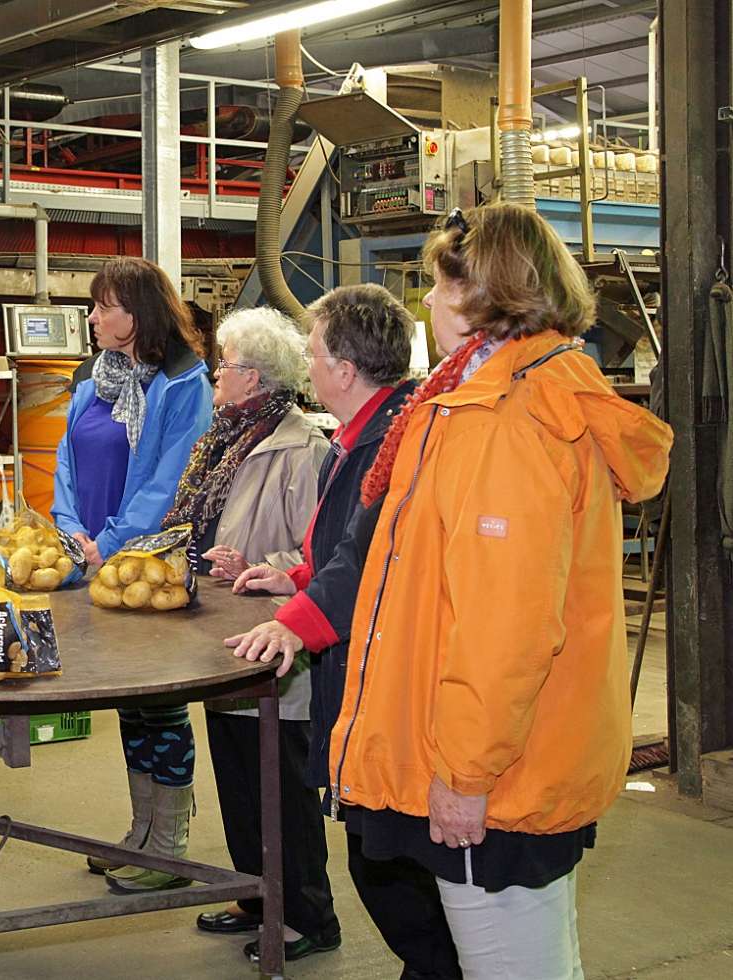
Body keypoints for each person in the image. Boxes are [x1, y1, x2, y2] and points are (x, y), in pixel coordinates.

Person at [326, 204, 671, 979]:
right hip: (507, 755)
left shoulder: (510, 419)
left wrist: (466, 774)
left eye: (438, 287)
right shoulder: (483, 401)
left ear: (485, 296)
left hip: (498, 771)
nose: (424, 303)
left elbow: (505, 625)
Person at [224, 284, 441, 972]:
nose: (307, 367)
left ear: (344, 370)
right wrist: (289, 578)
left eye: (314, 354)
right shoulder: (365, 436)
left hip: (386, 678)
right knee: (379, 856)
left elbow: (369, 556)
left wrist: (296, 622)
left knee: (388, 862)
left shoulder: (390, 440)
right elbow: (337, 549)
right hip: (359, 666)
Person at [156, 306, 337, 958]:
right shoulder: (223, 439)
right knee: (237, 779)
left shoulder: (302, 449)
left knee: (280, 789)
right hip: (224, 638)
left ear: (254, 376)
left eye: (223, 365)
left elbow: (322, 553)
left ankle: (308, 917)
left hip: (275, 645)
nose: (214, 376)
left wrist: (265, 567)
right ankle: (257, 895)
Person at [49, 257, 211, 888]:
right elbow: (65, 456)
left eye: (102, 307)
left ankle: (169, 847)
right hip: (89, 558)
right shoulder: (94, 377)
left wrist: (108, 543)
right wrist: (69, 529)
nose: (91, 318)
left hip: (145, 565)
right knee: (129, 704)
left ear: (137, 315)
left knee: (160, 701)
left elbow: (169, 482)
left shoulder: (182, 382)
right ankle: (141, 833)